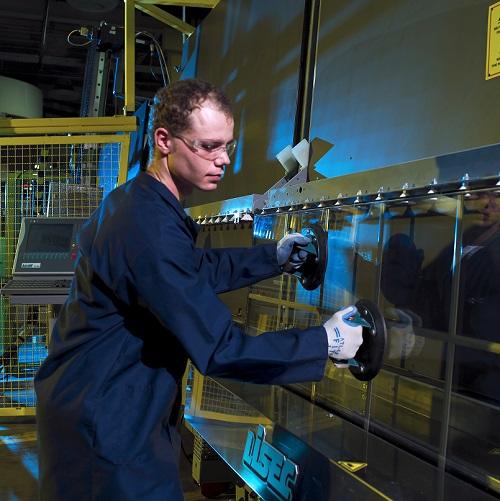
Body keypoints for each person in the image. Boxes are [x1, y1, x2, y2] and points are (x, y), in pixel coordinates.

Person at [34, 79, 364, 500]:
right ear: (164, 140)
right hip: (107, 421)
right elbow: (219, 348)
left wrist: (274, 258)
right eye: (208, 146)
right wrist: (327, 342)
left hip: (105, 401)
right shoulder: (147, 226)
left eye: (228, 146)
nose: (223, 160)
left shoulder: (139, 201)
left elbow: (189, 271)